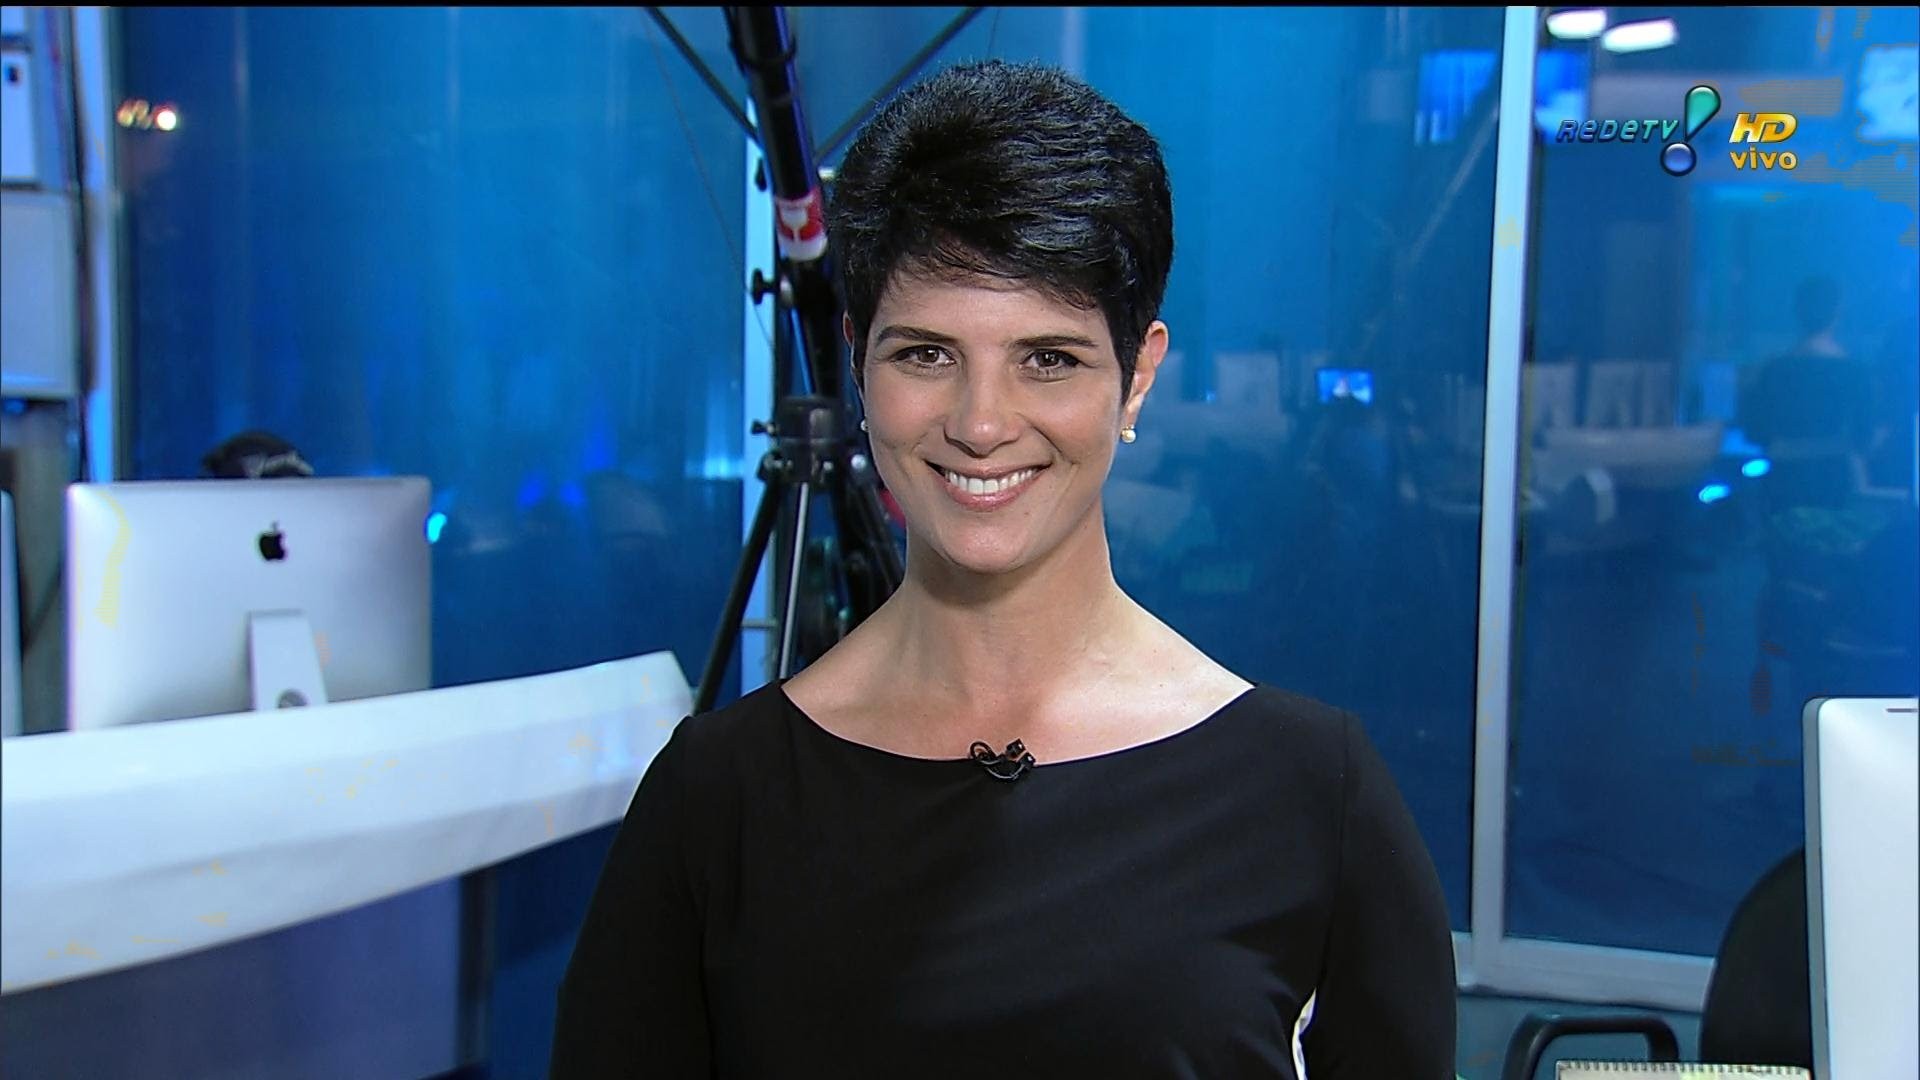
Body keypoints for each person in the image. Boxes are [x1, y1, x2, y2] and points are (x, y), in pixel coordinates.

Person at [550, 61, 1456, 1078]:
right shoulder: (720, 799)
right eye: (926, 355)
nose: (981, 425)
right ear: (857, 363)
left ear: (1137, 377)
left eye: (1049, 359)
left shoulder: (1308, 793)